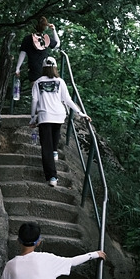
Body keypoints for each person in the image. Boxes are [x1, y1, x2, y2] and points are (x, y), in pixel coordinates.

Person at [30, 56, 89, 187]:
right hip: (59, 115)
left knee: (46, 148)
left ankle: (52, 177)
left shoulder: (38, 82)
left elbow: (34, 101)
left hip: (45, 116)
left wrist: (33, 117)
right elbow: (67, 100)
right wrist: (80, 112)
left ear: (43, 68)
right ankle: (55, 151)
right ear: (55, 67)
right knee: (55, 136)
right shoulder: (60, 81)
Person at [14, 17, 60, 86]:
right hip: (46, 69)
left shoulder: (27, 39)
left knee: (35, 92)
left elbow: (22, 53)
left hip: (34, 69)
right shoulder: (45, 38)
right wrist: (54, 30)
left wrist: (18, 68)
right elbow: (57, 44)